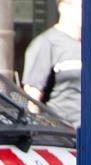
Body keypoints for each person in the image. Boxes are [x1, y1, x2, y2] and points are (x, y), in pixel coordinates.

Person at [22, 0, 82, 128]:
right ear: (64, 7)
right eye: (82, 6)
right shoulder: (46, 44)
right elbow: (32, 99)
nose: (86, 12)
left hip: (90, 133)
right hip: (62, 134)